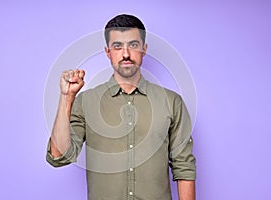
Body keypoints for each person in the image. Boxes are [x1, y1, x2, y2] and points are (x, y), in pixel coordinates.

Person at [46, 14, 196, 200]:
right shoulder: (86, 102)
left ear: (144, 49)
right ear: (108, 51)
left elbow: (184, 167)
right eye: (117, 46)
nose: (126, 54)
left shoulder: (172, 102)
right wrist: (67, 97)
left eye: (133, 45)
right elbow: (59, 156)